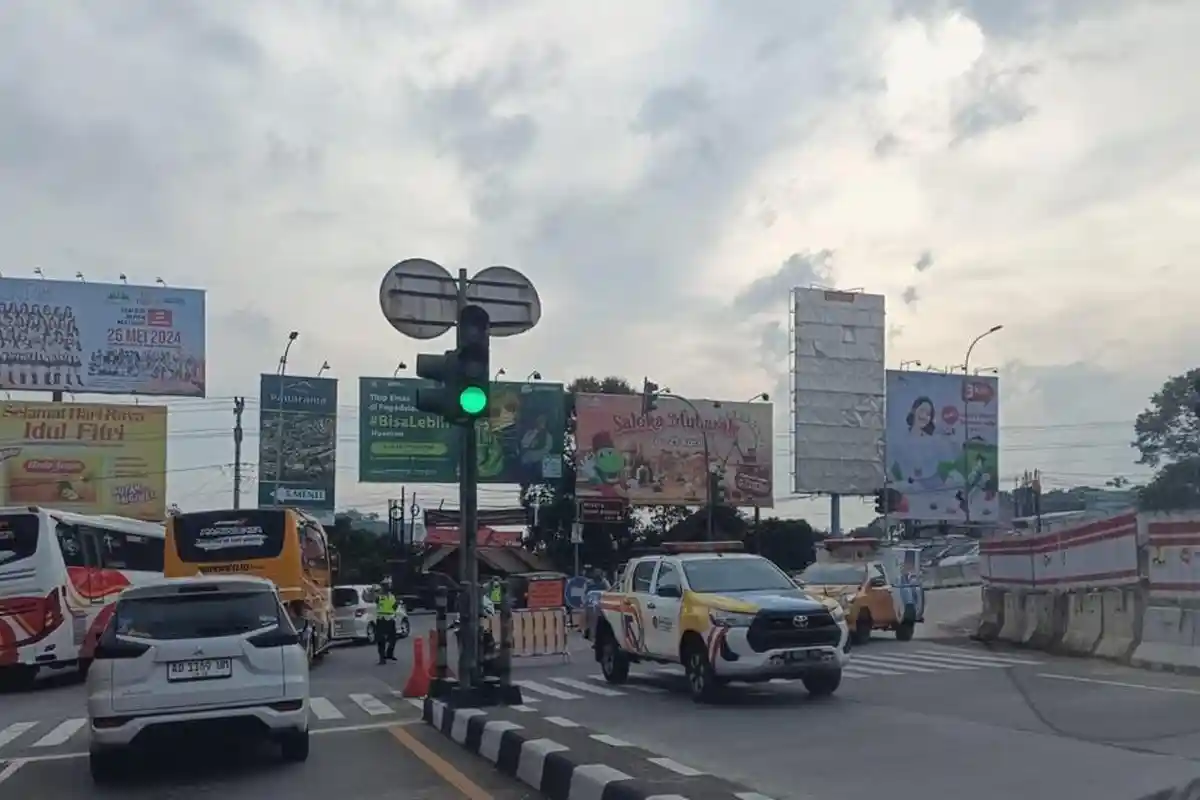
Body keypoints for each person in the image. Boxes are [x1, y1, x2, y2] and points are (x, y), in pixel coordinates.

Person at [375, 580, 400, 664]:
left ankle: (389, 654)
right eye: (386, 586)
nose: (387, 588)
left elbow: (394, 607)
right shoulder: (379, 596)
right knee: (381, 640)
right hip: (381, 619)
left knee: (393, 639)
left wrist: (397, 604)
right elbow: (375, 600)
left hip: (390, 619)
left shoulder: (392, 596)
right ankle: (382, 658)